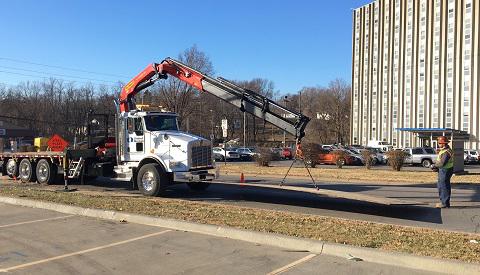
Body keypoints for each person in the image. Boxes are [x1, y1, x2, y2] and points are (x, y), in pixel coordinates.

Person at [431, 136, 454, 208]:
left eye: (439, 143)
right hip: (445, 169)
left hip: (445, 170)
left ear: (443, 143)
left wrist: (434, 166)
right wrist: (437, 167)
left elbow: (442, 163)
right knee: (442, 185)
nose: (438, 144)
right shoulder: (446, 150)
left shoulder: (446, 152)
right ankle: (444, 202)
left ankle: (444, 203)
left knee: (443, 186)